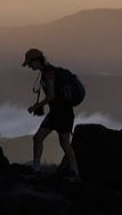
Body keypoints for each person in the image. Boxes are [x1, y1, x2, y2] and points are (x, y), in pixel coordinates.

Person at [23, 47, 81, 181]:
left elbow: (50, 96)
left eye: (30, 63)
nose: (29, 66)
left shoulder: (48, 73)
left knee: (63, 143)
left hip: (62, 113)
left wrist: (36, 106)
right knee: (42, 139)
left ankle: (74, 171)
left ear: (37, 61)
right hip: (58, 113)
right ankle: (71, 171)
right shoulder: (47, 72)